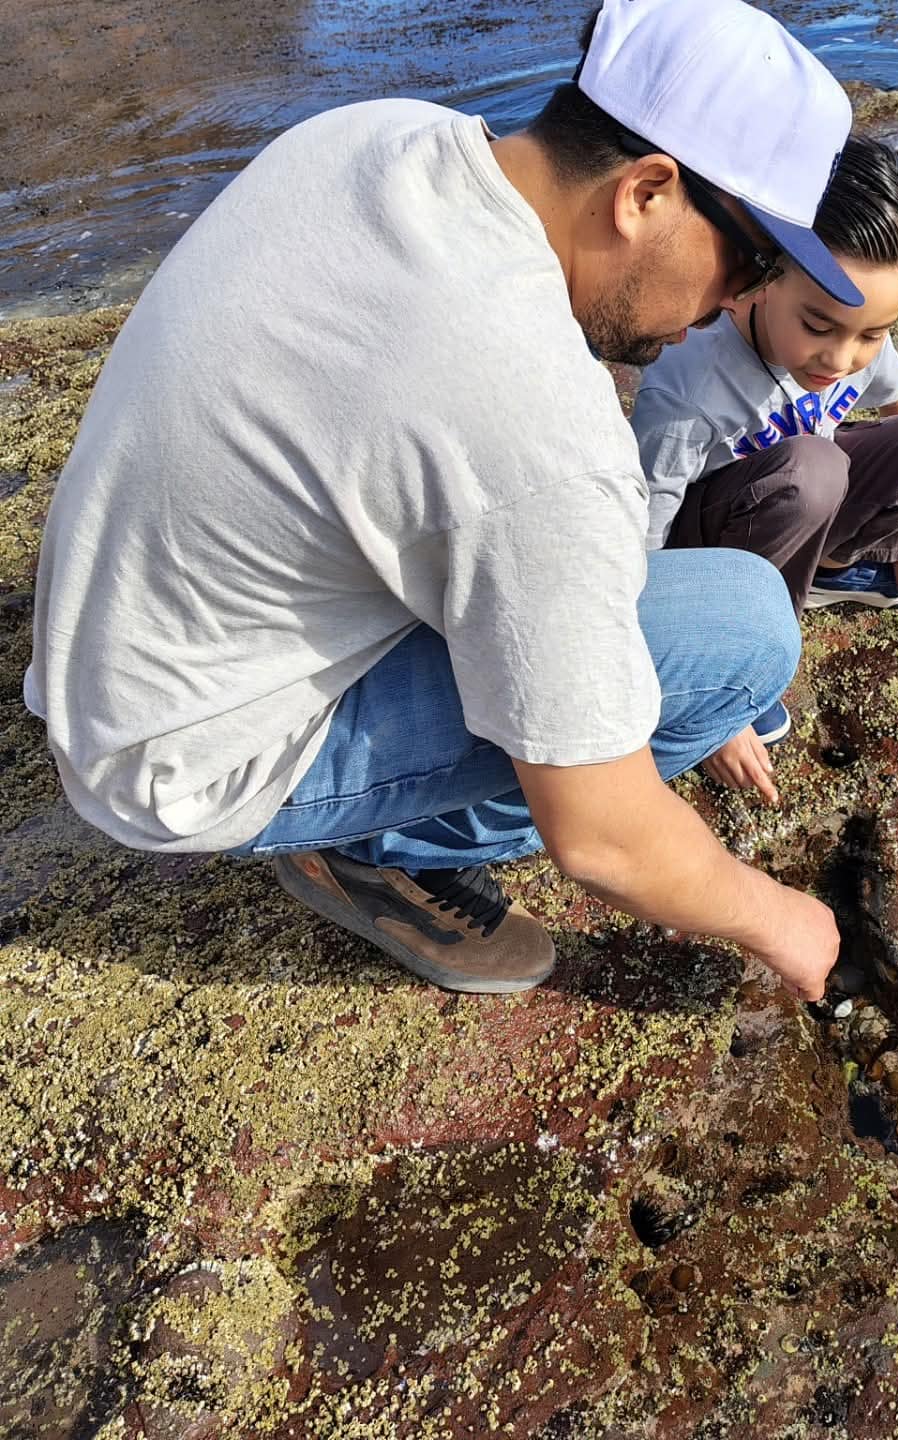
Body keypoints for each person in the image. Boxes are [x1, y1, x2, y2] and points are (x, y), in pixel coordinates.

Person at [23, 0, 856, 1002]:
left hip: (106, 648)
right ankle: (381, 850)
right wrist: (783, 918)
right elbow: (601, 833)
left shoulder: (377, 134)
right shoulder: (534, 416)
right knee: (741, 631)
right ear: (645, 191)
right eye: (751, 264)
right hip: (180, 757)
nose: (734, 307)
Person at [631, 134, 898, 800]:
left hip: (799, 509)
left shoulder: (854, 336)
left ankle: (832, 568)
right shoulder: (691, 381)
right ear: (759, 278)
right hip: (705, 551)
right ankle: (745, 641)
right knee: (812, 469)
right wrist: (703, 695)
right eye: (818, 325)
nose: (842, 359)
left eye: (871, 333)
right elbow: (637, 546)